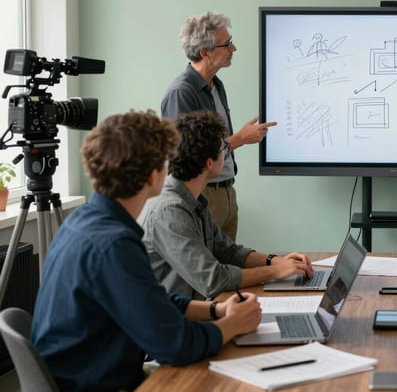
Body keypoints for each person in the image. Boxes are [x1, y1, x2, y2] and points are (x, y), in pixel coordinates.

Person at [30, 110, 263, 392]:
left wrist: (217, 309)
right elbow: (175, 345)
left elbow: (152, 301)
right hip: (97, 383)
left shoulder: (85, 221)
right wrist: (233, 325)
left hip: (89, 372)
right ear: (154, 175)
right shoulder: (114, 244)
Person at [139, 110, 314, 300]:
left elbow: (228, 252)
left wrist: (275, 261)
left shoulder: (194, 199)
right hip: (176, 322)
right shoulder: (170, 212)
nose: (227, 153)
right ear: (209, 163)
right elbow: (213, 279)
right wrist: (275, 272)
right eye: (224, 148)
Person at [162, 11, 277, 242]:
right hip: (202, 195)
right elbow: (186, 156)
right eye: (228, 44)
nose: (233, 49)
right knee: (209, 273)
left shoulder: (216, 85)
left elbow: (213, 144)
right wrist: (241, 138)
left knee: (229, 262)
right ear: (205, 52)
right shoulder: (181, 93)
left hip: (225, 192)